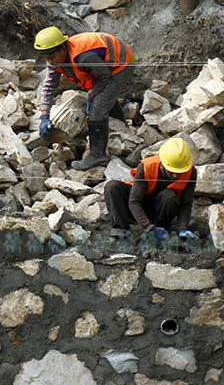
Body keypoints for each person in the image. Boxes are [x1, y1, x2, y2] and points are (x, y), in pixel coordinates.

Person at [35, 26, 134, 169]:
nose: (49, 61)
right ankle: (122, 130)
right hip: (101, 65)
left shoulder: (84, 57)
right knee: (104, 99)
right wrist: (45, 115)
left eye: (51, 57)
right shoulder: (55, 59)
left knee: (98, 109)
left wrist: (92, 95)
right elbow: (49, 87)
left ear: (63, 49)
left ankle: (98, 155)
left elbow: (104, 76)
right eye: (46, 58)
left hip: (122, 63)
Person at [104, 137, 199, 242]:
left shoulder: (190, 172)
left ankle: (161, 231)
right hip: (137, 208)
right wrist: (149, 227)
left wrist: (182, 228)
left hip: (161, 211)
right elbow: (134, 202)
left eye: (179, 172)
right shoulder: (146, 167)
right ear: (163, 163)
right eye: (171, 171)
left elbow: (186, 204)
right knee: (113, 187)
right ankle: (121, 233)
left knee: (169, 196)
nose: (175, 175)